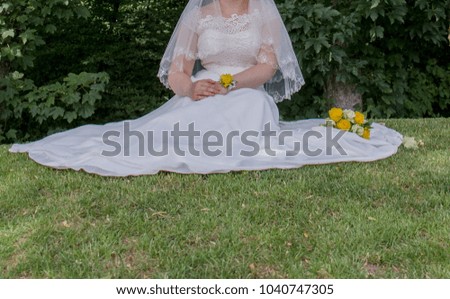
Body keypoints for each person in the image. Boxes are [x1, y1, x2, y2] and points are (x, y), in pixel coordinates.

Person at [10, 0, 403, 177]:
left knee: (247, 110)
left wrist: (233, 82)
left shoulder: (262, 12)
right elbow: (177, 73)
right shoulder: (198, 15)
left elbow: (267, 67)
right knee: (164, 135)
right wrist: (192, 90)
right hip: (203, 87)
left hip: (246, 90)